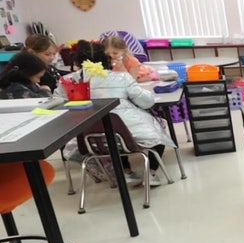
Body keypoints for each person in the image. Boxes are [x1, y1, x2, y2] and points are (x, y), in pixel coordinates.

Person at [67, 40, 176, 187]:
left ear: (78, 61)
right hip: (128, 134)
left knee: (113, 138)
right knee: (157, 131)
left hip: (88, 140)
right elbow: (146, 102)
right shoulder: (121, 77)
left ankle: (125, 171)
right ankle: (151, 173)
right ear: (106, 58)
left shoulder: (69, 81)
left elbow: (58, 104)